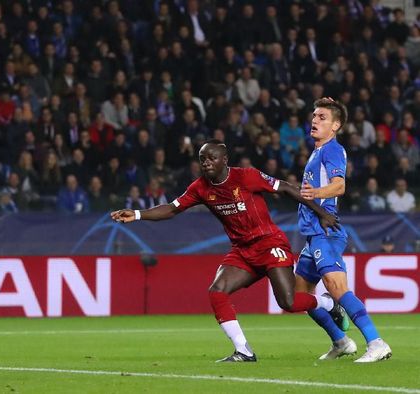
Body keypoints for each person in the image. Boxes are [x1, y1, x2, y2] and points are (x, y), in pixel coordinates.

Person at [111, 140, 342, 362]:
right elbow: (172, 209)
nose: (206, 162)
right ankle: (244, 351)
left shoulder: (246, 176)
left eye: (211, 157)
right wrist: (138, 214)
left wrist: (321, 214)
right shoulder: (200, 188)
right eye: (202, 159)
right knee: (217, 290)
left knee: (288, 303)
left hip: (270, 243)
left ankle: (327, 304)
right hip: (242, 250)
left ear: (225, 160)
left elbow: (288, 188)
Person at [296, 98, 391, 362]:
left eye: (322, 117)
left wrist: (315, 193)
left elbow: (339, 186)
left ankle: (376, 342)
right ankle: (341, 341)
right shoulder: (317, 151)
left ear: (336, 125)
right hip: (312, 234)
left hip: (325, 231)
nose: (315, 120)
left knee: (337, 287)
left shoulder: (332, 150)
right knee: (300, 296)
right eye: (314, 115)